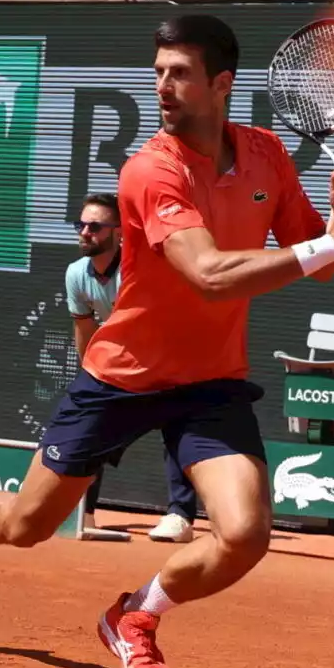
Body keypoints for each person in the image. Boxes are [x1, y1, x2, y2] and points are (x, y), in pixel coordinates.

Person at [0, 13, 334, 668]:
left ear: (221, 84)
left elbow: (324, 261)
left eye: (180, 73)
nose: (163, 85)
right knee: (25, 526)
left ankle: (134, 618)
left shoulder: (267, 155)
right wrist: (327, 243)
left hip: (209, 381)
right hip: (123, 376)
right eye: (159, 71)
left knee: (246, 533)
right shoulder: (149, 171)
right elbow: (209, 275)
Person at [66, 192, 199, 542]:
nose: (84, 232)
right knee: (90, 427)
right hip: (121, 359)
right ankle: (86, 514)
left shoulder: (141, 270)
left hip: (171, 352)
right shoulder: (76, 274)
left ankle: (180, 517)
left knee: (177, 429)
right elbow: (84, 328)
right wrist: (90, 375)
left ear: (118, 232)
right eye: (81, 225)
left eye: (94, 227)